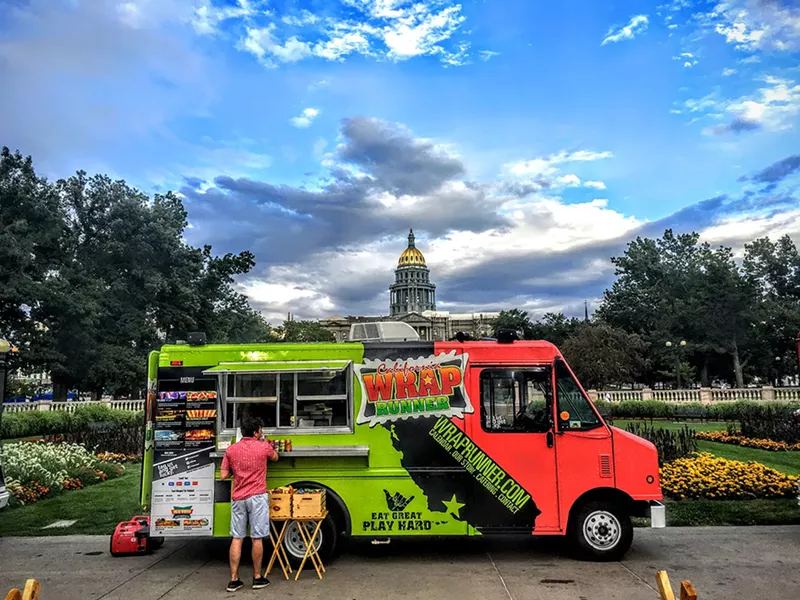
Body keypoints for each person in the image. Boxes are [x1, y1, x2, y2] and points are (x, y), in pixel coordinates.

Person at [220, 415, 279, 592]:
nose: (262, 432)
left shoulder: (231, 450)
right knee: (257, 538)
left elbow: (223, 475)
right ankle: (257, 577)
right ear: (256, 432)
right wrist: (265, 442)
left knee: (237, 538)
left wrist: (237, 473)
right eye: (260, 430)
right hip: (258, 498)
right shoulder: (263, 447)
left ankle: (234, 580)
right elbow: (276, 457)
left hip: (238, 498)